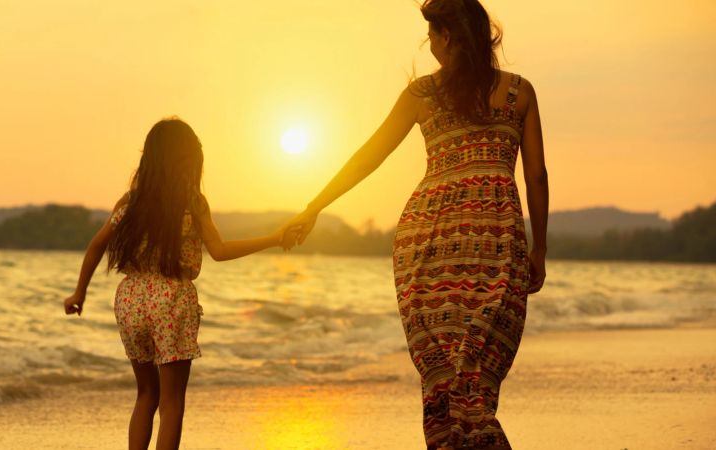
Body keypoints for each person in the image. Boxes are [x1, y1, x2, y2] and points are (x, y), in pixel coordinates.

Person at [285, 0, 549, 448]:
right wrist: (538, 249)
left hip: (426, 244)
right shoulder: (518, 92)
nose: (428, 43)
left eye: (432, 34)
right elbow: (536, 176)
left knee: (444, 375)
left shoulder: (422, 95)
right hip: (497, 245)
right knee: (477, 375)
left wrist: (315, 205)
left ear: (447, 37)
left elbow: (370, 155)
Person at [63, 117, 297, 450]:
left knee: (146, 394)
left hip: (130, 300)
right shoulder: (191, 202)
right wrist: (273, 238)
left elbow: (98, 244)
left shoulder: (129, 203)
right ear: (187, 161)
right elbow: (219, 250)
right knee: (172, 402)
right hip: (171, 300)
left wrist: (79, 292)